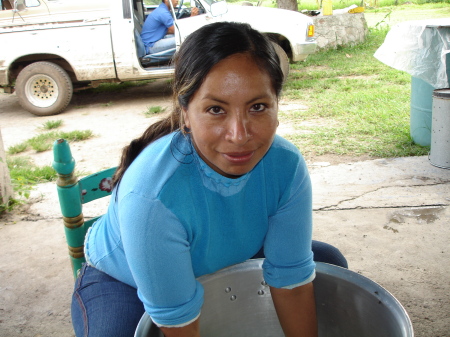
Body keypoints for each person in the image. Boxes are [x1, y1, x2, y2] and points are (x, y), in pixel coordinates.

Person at [71, 21, 348, 337]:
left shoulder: (285, 166)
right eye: (216, 109)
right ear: (186, 112)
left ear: (276, 105)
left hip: (227, 259)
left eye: (257, 107)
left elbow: (292, 282)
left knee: (327, 264)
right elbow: (178, 323)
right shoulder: (152, 195)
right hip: (124, 279)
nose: (239, 135)